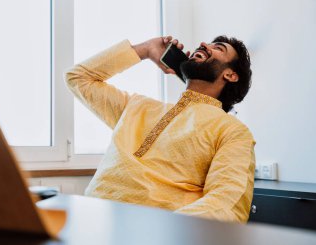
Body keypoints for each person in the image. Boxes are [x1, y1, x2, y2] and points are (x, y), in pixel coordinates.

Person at [65, 36, 255, 223]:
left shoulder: (233, 131)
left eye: (219, 48)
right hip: (89, 221)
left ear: (230, 75)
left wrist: (163, 232)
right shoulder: (137, 106)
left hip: (156, 232)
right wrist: (146, 49)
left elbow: (226, 204)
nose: (204, 44)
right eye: (207, 43)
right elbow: (78, 78)